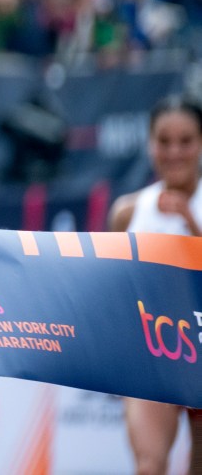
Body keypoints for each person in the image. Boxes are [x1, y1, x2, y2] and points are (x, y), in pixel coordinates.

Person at [108, 94, 202, 475]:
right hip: (152, 358)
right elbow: (114, 292)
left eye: (185, 141)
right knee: (149, 465)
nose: (174, 151)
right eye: (164, 141)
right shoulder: (128, 211)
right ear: (150, 144)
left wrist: (191, 224)